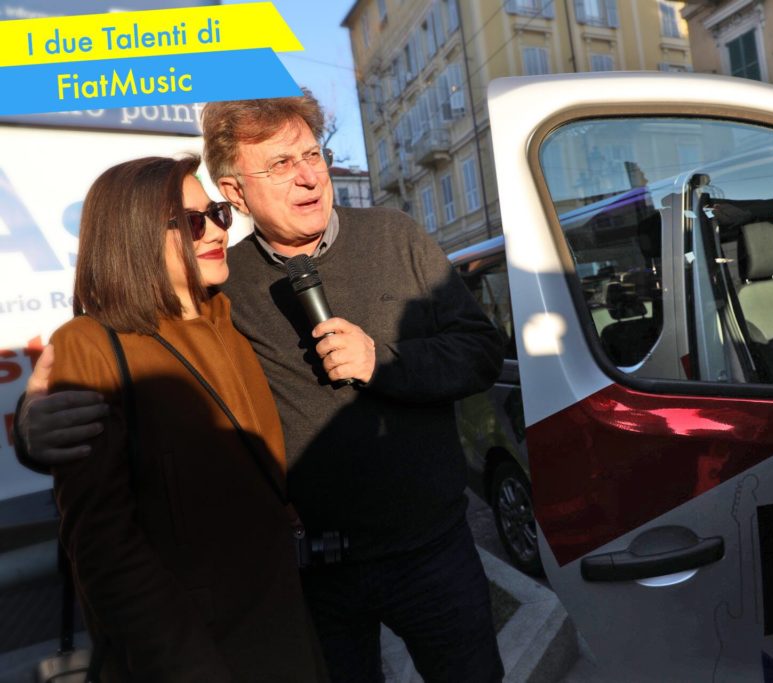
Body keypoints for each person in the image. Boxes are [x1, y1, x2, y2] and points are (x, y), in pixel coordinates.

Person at [18, 93, 505, 683]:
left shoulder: (395, 236)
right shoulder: (221, 278)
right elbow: (132, 355)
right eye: (279, 165)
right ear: (237, 193)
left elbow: (480, 352)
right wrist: (32, 424)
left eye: (312, 155)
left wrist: (385, 359)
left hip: (431, 550)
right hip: (308, 576)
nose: (307, 177)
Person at [35, 155, 326, 682]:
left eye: (217, 212)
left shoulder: (235, 319)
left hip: (284, 628)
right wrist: (186, 666)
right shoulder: (89, 344)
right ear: (134, 235)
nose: (217, 228)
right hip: (195, 652)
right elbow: (101, 546)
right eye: (193, 220)